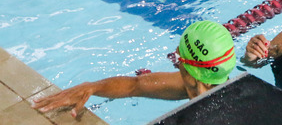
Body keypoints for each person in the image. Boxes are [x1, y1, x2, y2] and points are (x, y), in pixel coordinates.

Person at [32, 20, 237, 118]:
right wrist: (92, 87)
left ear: (186, 64)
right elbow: (135, 85)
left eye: (177, 55)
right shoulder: (200, 86)